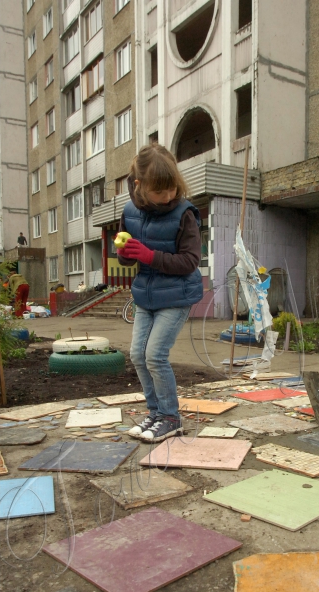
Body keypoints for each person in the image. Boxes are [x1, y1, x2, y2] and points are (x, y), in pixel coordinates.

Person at [117, 144, 203, 443]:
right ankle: (155, 414)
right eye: (160, 192)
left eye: (172, 190)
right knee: (138, 355)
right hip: (146, 295)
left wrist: (148, 255)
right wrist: (126, 254)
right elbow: (127, 258)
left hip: (177, 295)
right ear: (140, 185)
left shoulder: (184, 214)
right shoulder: (129, 211)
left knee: (155, 355)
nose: (168, 197)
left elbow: (190, 262)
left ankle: (171, 417)